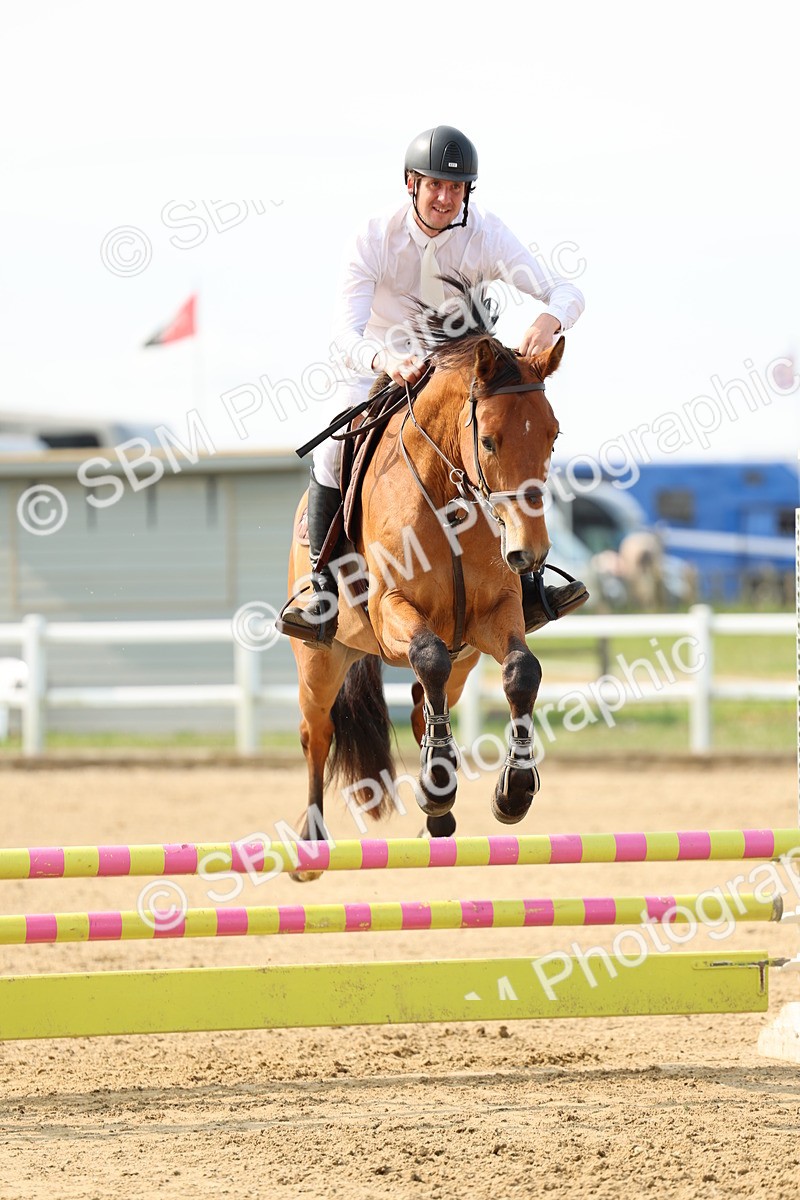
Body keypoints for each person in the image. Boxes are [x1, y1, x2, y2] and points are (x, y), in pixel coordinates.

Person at [279, 125, 588, 648]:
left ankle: (530, 581)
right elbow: (343, 335)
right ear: (410, 184)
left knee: (513, 440)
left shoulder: (486, 234)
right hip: (379, 365)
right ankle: (321, 584)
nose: (446, 198)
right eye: (435, 186)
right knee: (333, 449)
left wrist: (551, 320)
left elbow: (565, 290)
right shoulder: (373, 237)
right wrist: (386, 358)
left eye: (457, 188)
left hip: (463, 372)